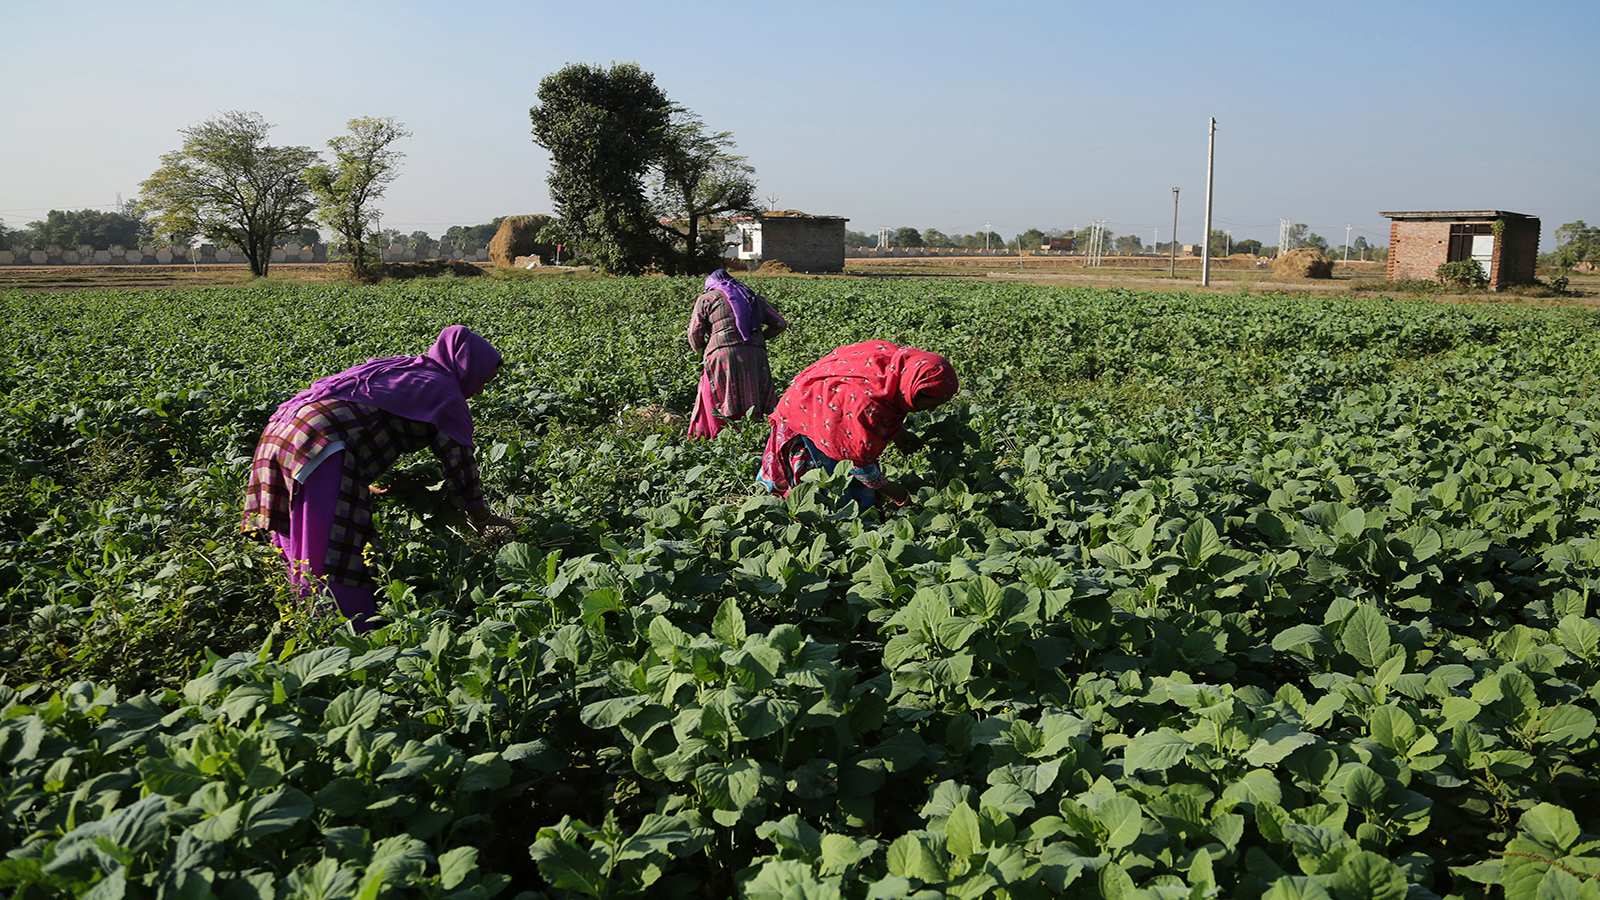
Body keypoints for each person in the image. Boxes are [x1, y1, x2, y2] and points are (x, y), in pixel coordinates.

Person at [241, 325, 514, 631]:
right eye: (482, 382)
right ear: (469, 367)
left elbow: (363, 414)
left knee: (297, 534)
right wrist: (482, 518)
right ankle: (346, 634)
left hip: (280, 433)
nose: (479, 391)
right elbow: (460, 465)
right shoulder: (446, 394)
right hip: (320, 445)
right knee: (331, 550)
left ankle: (306, 616)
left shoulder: (402, 368)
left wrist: (359, 478)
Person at [757, 340, 958, 511]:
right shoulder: (868, 407)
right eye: (930, 404)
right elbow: (857, 462)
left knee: (843, 479)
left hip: (827, 405)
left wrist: (899, 433)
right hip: (806, 414)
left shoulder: (899, 369)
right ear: (912, 390)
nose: (931, 411)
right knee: (820, 495)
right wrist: (898, 494)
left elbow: (889, 400)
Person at [686, 269, 788, 439]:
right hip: (756, 356)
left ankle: (716, 438)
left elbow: (694, 333)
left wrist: (703, 352)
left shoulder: (707, 299)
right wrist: (759, 338)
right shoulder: (753, 299)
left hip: (723, 354)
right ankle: (755, 438)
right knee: (753, 396)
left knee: (718, 397)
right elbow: (780, 324)